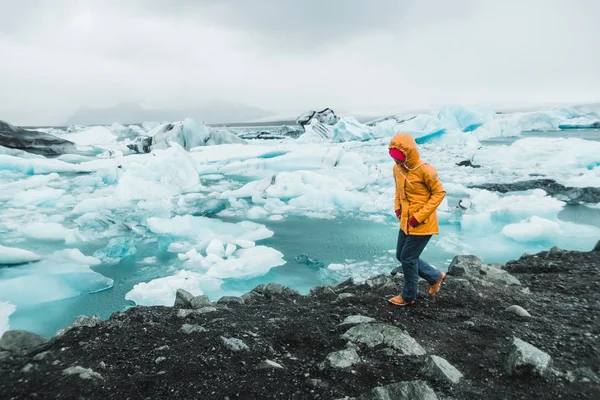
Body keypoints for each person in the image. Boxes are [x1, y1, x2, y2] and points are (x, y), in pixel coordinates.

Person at [387, 133, 447, 306]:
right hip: (406, 220)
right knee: (402, 255)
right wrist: (397, 207)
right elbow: (398, 190)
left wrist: (419, 216)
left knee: (408, 258)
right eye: (394, 157)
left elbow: (439, 193)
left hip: (422, 222)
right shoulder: (397, 168)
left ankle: (408, 296)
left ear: (409, 153)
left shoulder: (425, 170)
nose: (396, 161)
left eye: (399, 158)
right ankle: (435, 276)